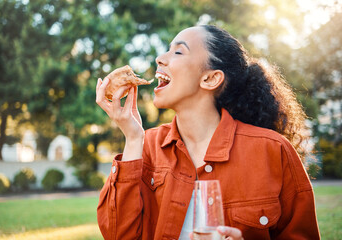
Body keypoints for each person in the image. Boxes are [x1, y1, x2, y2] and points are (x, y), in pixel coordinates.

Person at [95, 25, 320, 240]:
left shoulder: (273, 149)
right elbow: (118, 235)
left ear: (210, 78)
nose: (160, 58)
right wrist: (133, 138)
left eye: (178, 51)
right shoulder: (146, 146)